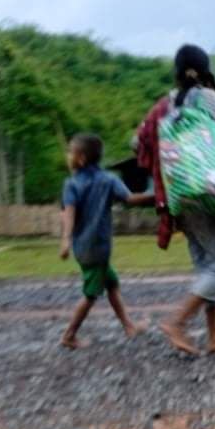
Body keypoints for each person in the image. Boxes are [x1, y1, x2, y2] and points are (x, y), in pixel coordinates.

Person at [135, 44, 215, 356]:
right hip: (208, 190)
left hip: (177, 193)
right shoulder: (208, 97)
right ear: (205, 69)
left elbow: (138, 142)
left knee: (207, 264)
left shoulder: (164, 104)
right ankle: (177, 322)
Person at [59, 133, 154, 349]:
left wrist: (66, 241)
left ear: (81, 159)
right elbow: (130, 198)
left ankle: (128, 326)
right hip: (98, 248)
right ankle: (69, 335)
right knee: (91, 294)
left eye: (70, 152)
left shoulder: (71, 184)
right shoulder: (109, 179)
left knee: (111, 285)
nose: (68, 156)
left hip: (83, 247)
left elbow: (69, 214)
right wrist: (156, 194)